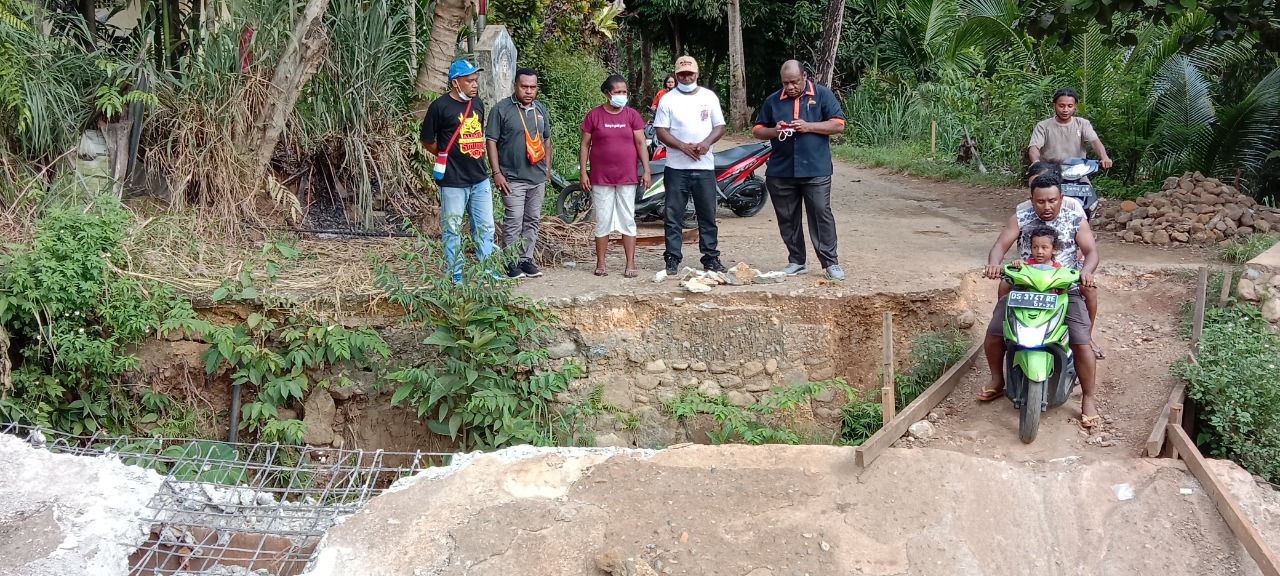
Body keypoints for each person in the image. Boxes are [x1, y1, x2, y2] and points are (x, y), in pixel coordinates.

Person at [978, 175, 1102, 428]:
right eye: (1040, 201)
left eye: (1052, 201)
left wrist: (1086, 271)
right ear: (1031, 200)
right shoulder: (1021, 218)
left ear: (1061, 199)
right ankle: (997, 380)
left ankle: (1088, 398)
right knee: (993, 334)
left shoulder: (1075, 220)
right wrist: (993, 264)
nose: (1046, 207)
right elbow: (1000, 245)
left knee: (1081, 342)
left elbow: (1091, 252)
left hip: (1064, 289)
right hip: (1024, 287)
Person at [751, 59, 847, 281]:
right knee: (787, 217)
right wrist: (774, 131)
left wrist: (809, 126)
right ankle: (796, 261)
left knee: (821, 214)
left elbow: (838, 124)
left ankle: (830, 263)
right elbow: (757, 129)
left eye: (794, 82)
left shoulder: (822, 95)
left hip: (816, 169)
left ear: (804, 76)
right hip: (781, 170)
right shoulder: (773, 100)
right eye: (786, 83)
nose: (790, 87)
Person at [420, 59, 498, 282]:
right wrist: (444, 154)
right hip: (453, 181)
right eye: (469, 81)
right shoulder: (439, 107)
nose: (475, 85)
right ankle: (455, 274)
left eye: (476, 80)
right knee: (453, 229)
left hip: (479, 177)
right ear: (456, 83)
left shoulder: (478, 104)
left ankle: (487, 271)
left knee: (485, 227)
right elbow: (427, 140)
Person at [654, 55, 727, 274]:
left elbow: (719, 126)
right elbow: (661, 130)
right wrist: (682, 146)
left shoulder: (709, 96)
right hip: (676, 168)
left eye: (690, 73)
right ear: (676, 75)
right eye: (682, 74)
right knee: (673, 215)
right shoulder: (668, 99)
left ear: (697, 74)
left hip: (704, 167)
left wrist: (706, 143)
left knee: (707, 215)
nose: (686, 77)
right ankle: (672, 258)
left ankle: (711, 258)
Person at [1025, 160, 1103, 358]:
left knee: (1087, 288)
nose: (1045, 204)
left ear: (1060, 194)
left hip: (1067, 266)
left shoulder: (1072, 207)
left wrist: (1080, 269)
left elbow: (1085, 244)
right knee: (1005, 286)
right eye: (1038, 197)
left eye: (1051, 199)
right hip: (1035, 267)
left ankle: (1087, 336)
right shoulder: (1024, 211)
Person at [580, 74, 651, 277]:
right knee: (603, 220)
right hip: (601, 177)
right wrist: (583, 172)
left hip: (627, 176)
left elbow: (640, 143)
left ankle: (630, 264)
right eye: (618, 92)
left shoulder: (632, 115)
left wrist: (645, 170)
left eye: (624, 92)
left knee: (627, 219)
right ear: (607, 93)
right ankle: (601, 264)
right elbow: (585, 145)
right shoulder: (594, 116)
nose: (622, 95)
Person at [486, 67, 551, 279]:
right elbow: (491, 141)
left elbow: (546, 140)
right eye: (524, 86)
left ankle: (526, 260)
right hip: (511, 178)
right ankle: (510, 262)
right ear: (515, 85)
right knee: (514, 219)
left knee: (532, 219)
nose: (529, 91)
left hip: (537, 177)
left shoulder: (540, 109)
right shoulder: (501, 110)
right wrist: (497, 172)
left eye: (533, 87)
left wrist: (547, 168)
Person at [1028, 88, 1114, 169]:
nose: (1065, 110)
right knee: (1037, 182)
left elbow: (1094, 141)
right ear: (1054, 105)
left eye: (1070, 106)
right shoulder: (1043, 126)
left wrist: (1104, 157)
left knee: (1087, 185)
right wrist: (1036, 162)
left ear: (1075, 106)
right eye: (1061, 106)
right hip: (1049, 170)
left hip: (1077, 170)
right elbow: (1034, 147)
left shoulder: (1082, 123)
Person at [996, 226, 1065, 302]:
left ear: (1054, 249)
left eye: (1044, 248)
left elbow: (1062, 291)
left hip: (1049, 301)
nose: (1039, 251)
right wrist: (1017, 264)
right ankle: (1002, 308)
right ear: (1030, 248)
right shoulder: (1026, 264)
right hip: (1027, 300)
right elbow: (1016, 273)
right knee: (1004, 283)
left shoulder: (1058, 268)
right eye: (1035, 247)